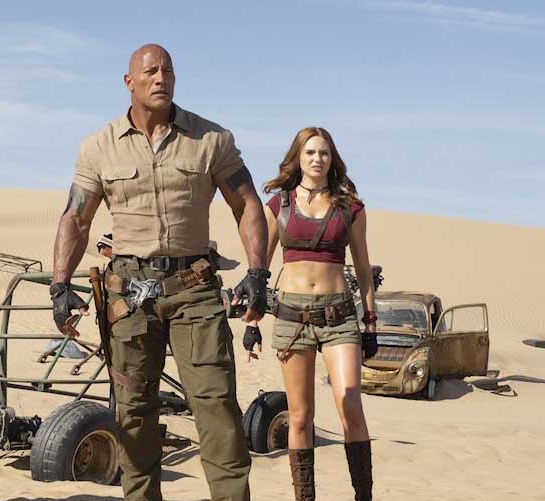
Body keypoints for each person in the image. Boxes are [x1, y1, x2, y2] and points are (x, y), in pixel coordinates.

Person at [50, 44, 269, 501]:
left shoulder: (211, 139)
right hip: (129, 296)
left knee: (216, 407)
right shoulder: (98, 146)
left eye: (168, 70)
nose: (161, 78)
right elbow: (76, 218)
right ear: (128, 82)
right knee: (133, 413)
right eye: (150, 71)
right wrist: (59, 284)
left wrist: (257, 273)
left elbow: (247, 203)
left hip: (195, 290)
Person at [243, 126, 377, 501]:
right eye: (311, 152)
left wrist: (370, 322)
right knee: (300, 417)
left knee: (351, 403)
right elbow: (260, 270)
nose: (318, 159)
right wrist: (252, 322)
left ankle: (363, 496)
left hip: (339, 317)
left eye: (324, 153)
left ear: (333, 159)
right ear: (298, 158)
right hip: (292, 317)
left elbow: (363, 268)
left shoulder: (350, 208)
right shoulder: (278, 206)